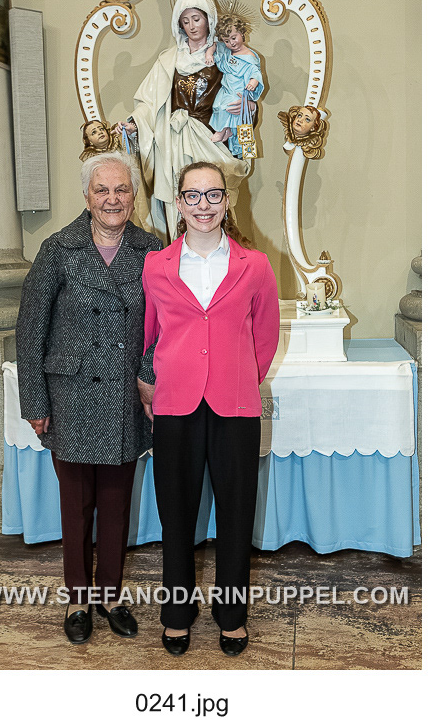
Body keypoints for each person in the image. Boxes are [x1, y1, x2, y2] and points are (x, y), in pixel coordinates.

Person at [15, 151, 162, 645]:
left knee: (116, 507)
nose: (112, 199)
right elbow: (30, 330)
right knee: (75, 507)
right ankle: (78, 600)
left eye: (121, 189)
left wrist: (148, 377)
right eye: (102, 190)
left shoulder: (152, 249)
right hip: (71, 398)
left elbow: (165, 324)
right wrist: (35, 403)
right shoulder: (58, 248)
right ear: (87, 196)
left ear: (134, 196)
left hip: (124, 396)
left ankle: (111, 597)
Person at [138, 161, 280, 657]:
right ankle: (177, 613)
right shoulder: (155, 265)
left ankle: (232, 615)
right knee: (176, 515)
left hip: (234, 405)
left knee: (236, 514)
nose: (204, 205)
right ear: (178, 203)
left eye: (213, 194)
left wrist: (236, 377)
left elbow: (264, 337)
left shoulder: (255, 265)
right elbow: (150, 333)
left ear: (227, 200)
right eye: (193, 195)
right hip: (175, 404)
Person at [115, 0, 255, 240]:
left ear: (209, 19)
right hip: (174, 141)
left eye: (197, 19)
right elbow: (150, 101)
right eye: (185, 20)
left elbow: (244, 88)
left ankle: (220, 254)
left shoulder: (225, 56)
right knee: (178, 199)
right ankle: (180, 250)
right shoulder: (168, 60)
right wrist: (136, 123)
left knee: (213, 197)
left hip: (211, 139)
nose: (192, 26)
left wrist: (248, 106)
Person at [205, 14, 265, 158]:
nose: (231, 43)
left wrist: (253, 81)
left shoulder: (249, 56)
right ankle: (227, 130)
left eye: (234, 38)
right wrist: (209, 53)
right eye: (227, 41)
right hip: (226, 89)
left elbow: (254, 71)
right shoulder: (226, 52)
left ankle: (222, 130)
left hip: (237, 92)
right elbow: (215, 45)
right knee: (218, 106)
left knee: (228, 106)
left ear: (242, 33)